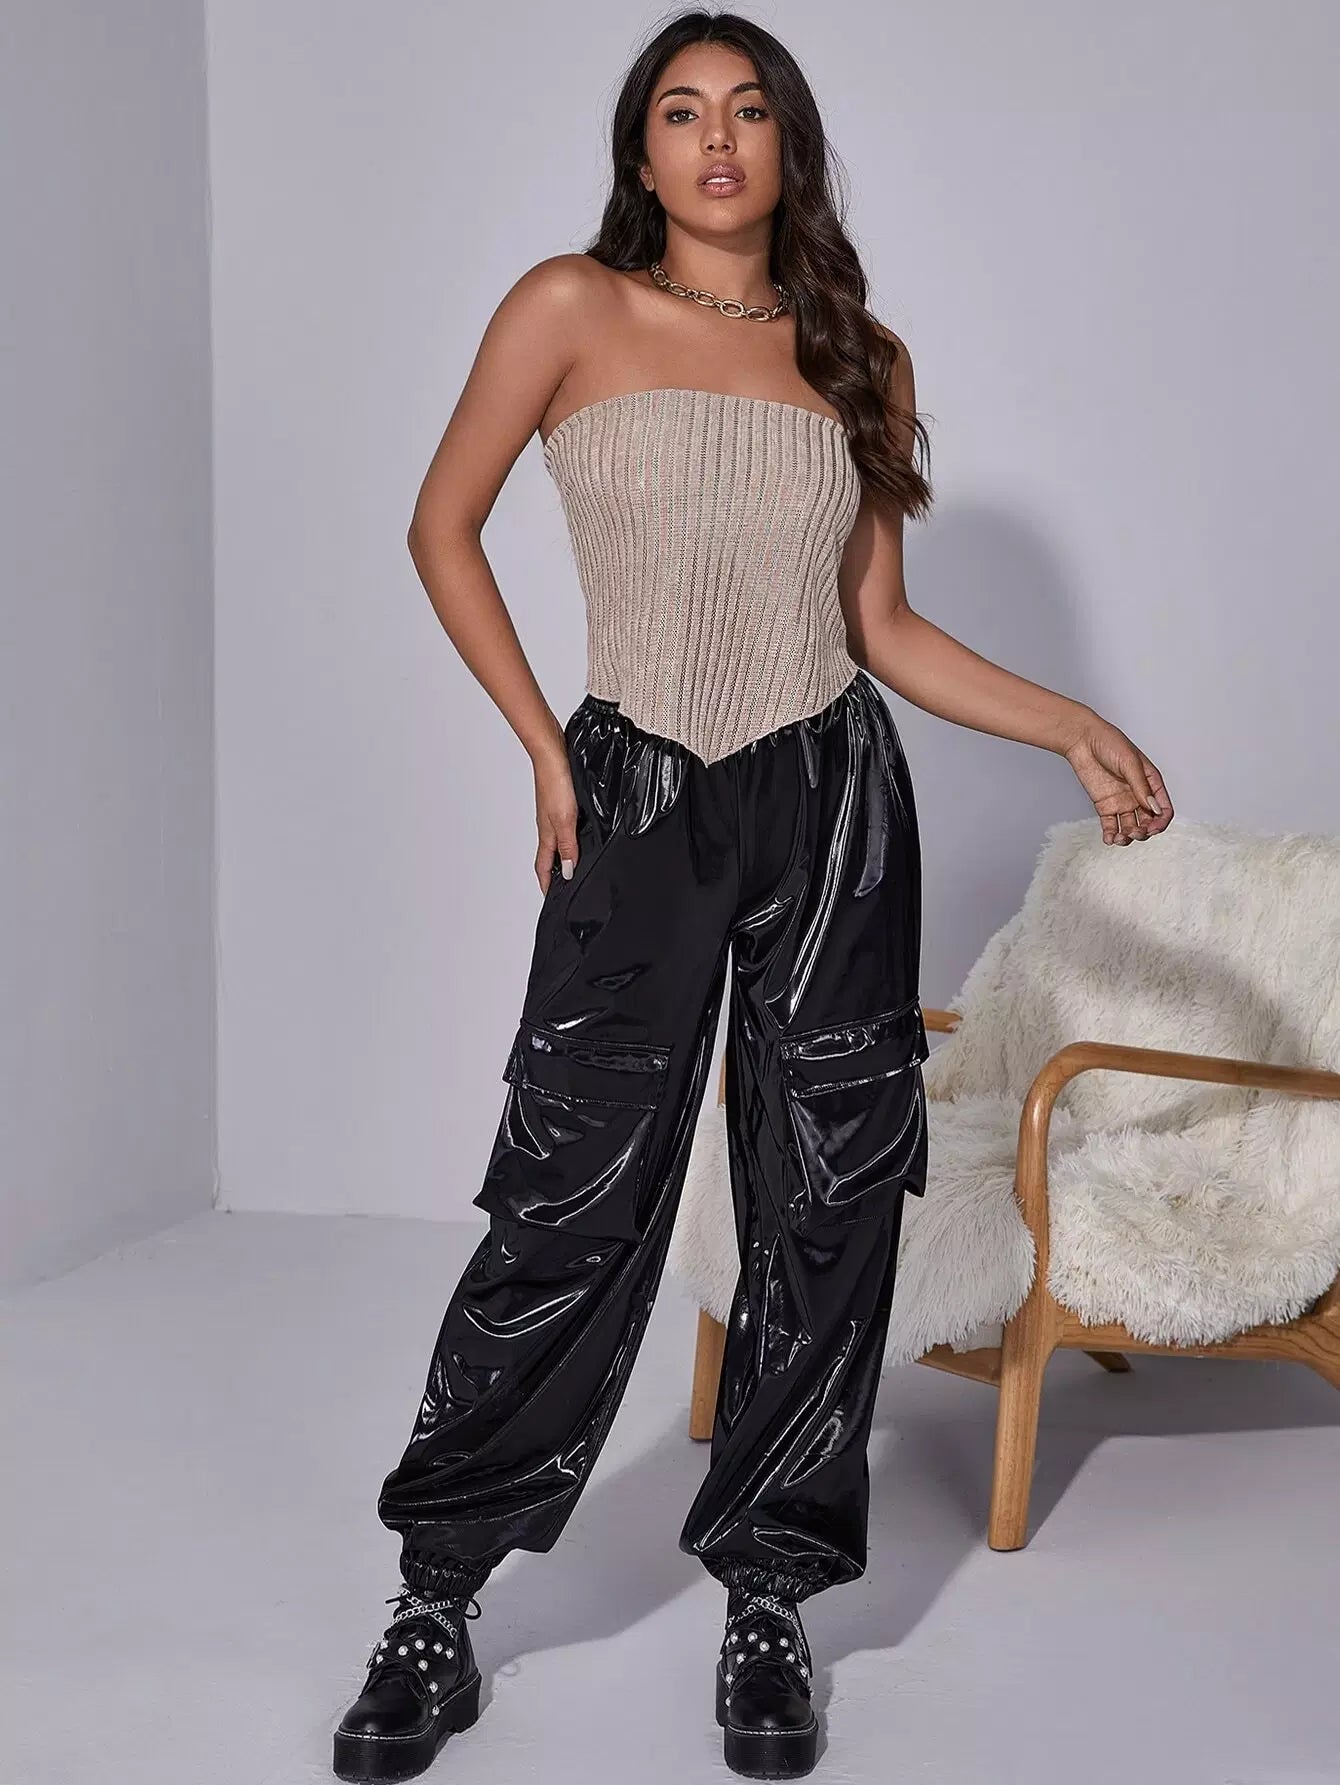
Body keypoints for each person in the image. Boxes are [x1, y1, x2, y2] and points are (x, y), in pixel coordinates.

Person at [333, 10, 1174, 1781]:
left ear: (789, 143)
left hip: (831, 800)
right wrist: (545, 750)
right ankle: (436, 1593)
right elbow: (439, 525)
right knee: (569, 1189)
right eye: (681, 111)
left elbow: (881, 629)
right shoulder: (568, 307)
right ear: (640, 151)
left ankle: (772, 1592)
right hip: (634, 787)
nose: (717, 140)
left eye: (749, 111)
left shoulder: (860, 352)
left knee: (828, 1194)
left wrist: (1071, 723)